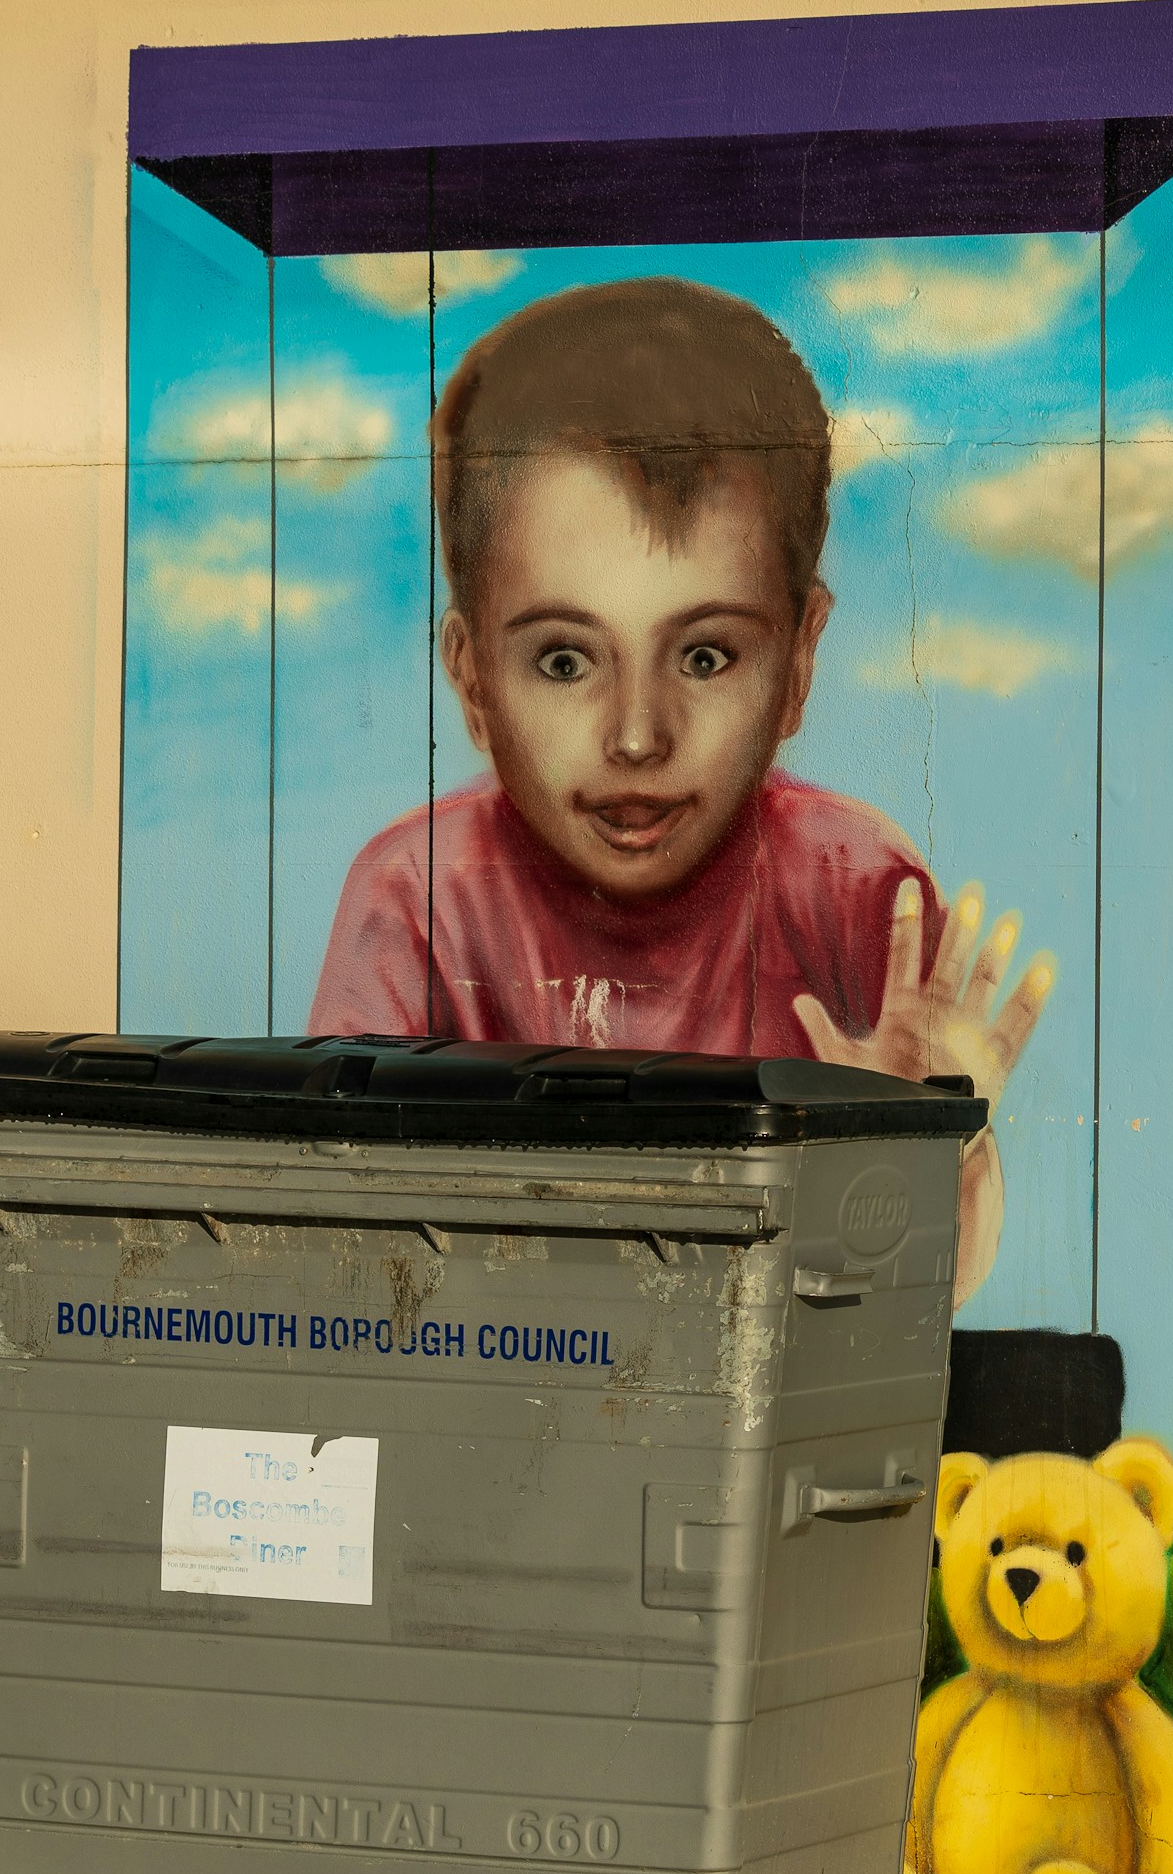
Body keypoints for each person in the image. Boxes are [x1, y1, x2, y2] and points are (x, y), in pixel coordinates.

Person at [309, 276, 1052, 1300]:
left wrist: (934, 1139)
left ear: (797, 663)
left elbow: (931, 1292)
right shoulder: (416, 897)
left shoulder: (858, 899)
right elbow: (344, 1255)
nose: (635, 734)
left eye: (703, 656)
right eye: (564, 661)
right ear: (470, 678)